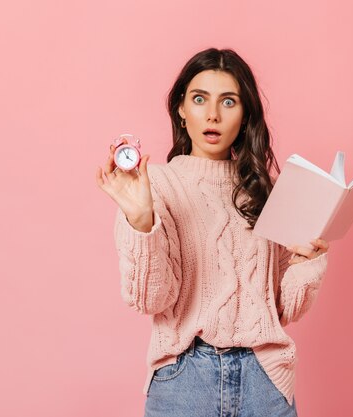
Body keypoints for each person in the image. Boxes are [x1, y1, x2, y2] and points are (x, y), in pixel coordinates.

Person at [96, 47, 330, 417]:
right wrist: (142, 222)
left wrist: (309, 263)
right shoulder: (155, 184)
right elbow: (149, 301)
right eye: (200, 99)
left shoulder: (265, 189)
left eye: (229, 101)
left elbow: (285, 309)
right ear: (181, 109)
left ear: (245, 113)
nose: (213, 114)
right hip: (185, 379)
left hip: (265, 378)